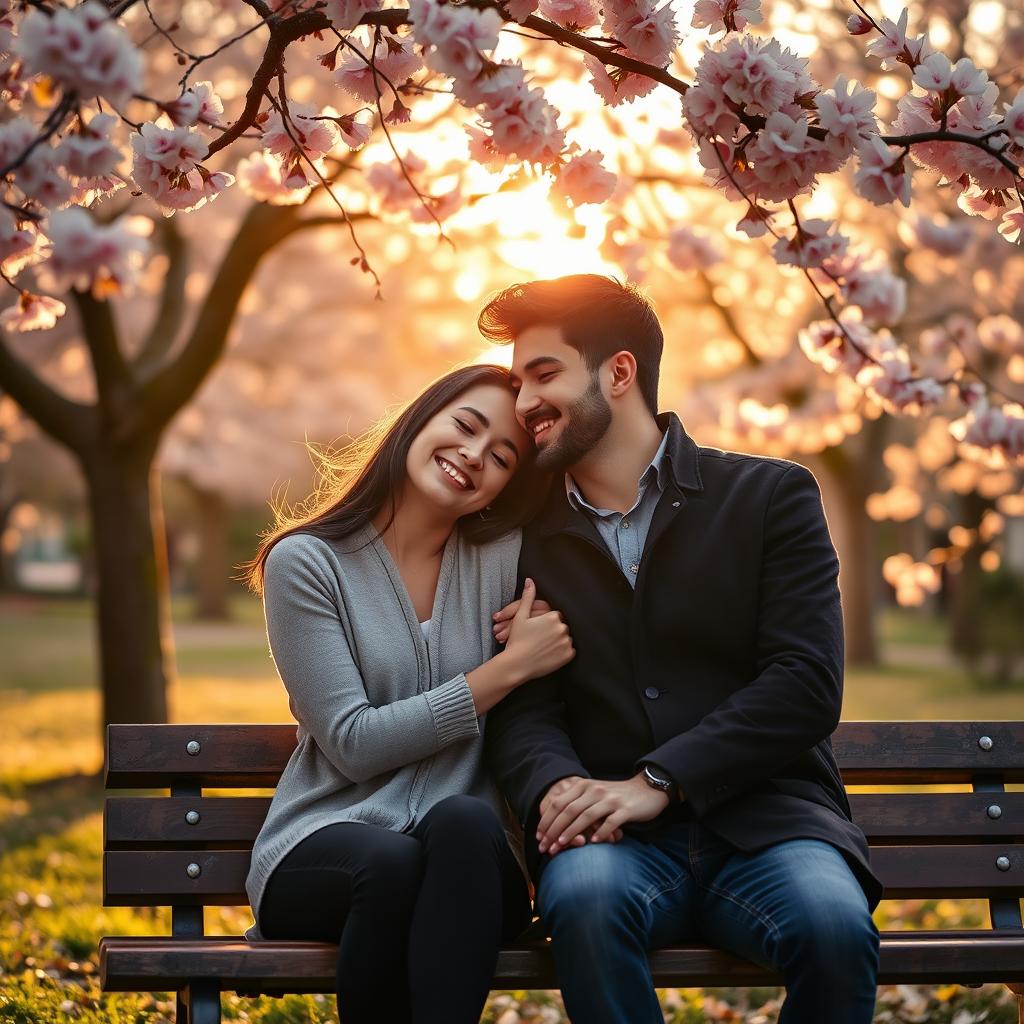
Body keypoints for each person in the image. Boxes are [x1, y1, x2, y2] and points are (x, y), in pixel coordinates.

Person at [482, 275, 883, 1024]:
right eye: (517, 382)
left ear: (619, 372)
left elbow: (804, 683)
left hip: (771, 824)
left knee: (833, 928)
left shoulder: (770, 498)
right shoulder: (521, 536)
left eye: (544, 374)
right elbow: (522, 705)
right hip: (608, 837)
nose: (524, 401)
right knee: (587, 907)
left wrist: (659, 779)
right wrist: (559, 790)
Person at [241, 364, 577, 1024]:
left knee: (465, 819)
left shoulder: (508, 560)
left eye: (502, 457)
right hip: (326, 845)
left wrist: (556, 630)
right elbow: (353, 743)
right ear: (419, 420)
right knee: (390, 861)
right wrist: (506, 670)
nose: (473, 456)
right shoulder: (307, 564)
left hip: (470, 866)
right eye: (465, 425)